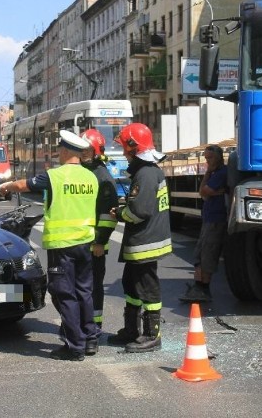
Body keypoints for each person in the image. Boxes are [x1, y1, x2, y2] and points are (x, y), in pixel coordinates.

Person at [0, 130, 97, 362]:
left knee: (64, 294)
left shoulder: (55, 176)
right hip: (85, 241)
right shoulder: (90, 177)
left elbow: (25, 185)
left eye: (59, 150)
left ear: (65, 151)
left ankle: (75, 346)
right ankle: (90, 338)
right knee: (84, 291)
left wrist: (6, 187)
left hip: (62, 245)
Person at [108, 123, 172, 353]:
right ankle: (132, 330)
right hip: (144, 242)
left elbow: (140, 211)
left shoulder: (145, 174)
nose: (123, 152)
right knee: (131, 285)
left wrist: (121, 213)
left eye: (125, 147)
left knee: (147, 290)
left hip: (146, 243)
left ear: (133, 147)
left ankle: (152, 335)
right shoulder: (148, 171)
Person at [80, 128, 119, 355]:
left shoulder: (101, 176)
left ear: (95, 151)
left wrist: (99, 242)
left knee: (93, 288)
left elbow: (108, 215)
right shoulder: (84, 172)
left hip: (94, 245)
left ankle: (94, 329)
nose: (83, 153)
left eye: (87, 150)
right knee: (81, 288)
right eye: (81, 149)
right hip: (81, 242)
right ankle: (83, 327)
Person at [179, 144, 228, 303]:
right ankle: (198, 286)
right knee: (200, 254)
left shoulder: (221, 173)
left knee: (207, 254)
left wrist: (209, 189)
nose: (208, 161)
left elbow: (204, 192)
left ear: (219, 157)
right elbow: (203, 193)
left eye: (210, 158)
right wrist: (208, 178)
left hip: (215, 220)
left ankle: (203, 289)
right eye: (206, 158)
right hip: (209, 219)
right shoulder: (213, 173)